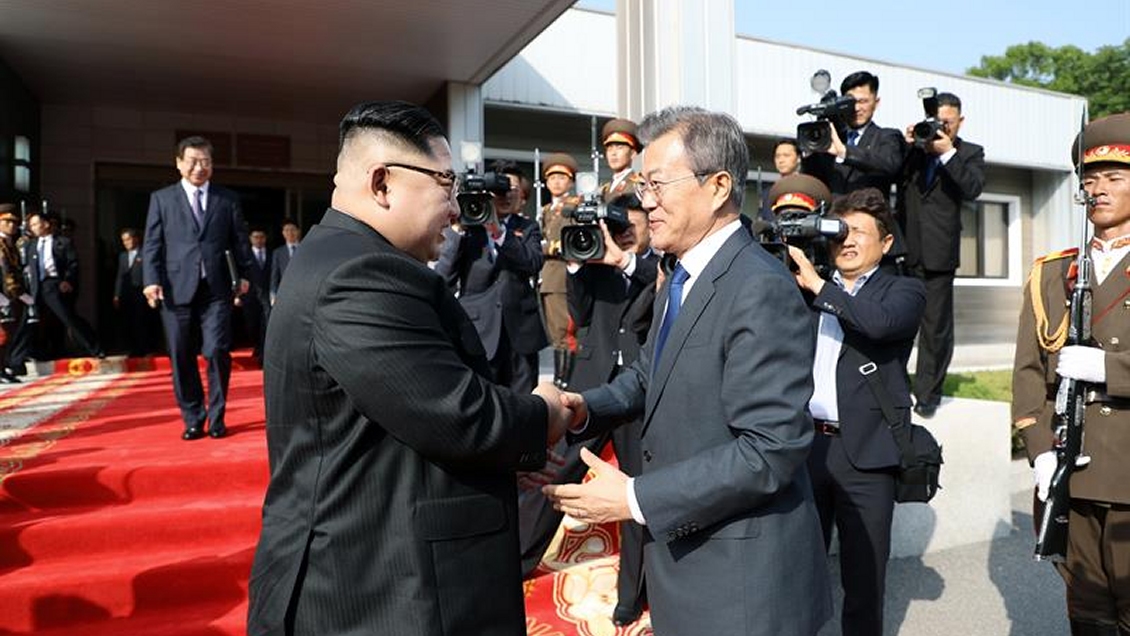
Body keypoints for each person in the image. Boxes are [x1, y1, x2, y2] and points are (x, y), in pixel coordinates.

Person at [246, 100, 570, 636]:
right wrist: (544, 413)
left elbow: (400, 422)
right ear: (382, 183)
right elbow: (460, 415)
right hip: (374, 593)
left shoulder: (339, 257)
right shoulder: (360, 275)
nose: (456, 208)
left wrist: (503, 458)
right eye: (446, 184)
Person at [544, 105, 831, 636]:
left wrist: (634, 498)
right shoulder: (683, 274)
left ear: (717, 186)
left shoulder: (758, 287)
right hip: (690, 564)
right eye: (643, 185)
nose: (645, 201)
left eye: (657, 184)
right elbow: (650, 375)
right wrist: (585, 408)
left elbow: (770, 449)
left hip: (741, 584)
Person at [1012, 111, 1130, 636]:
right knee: (1087, 613)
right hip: (1072, 471)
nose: (1097, 189)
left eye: (1113, 177)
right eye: (1090, 179)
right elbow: (1028, 372)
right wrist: (1040, 450)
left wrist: (1111, 368)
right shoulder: (1053, 272)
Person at [789, 187, 926, 636]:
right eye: (839, 232)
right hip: (806, 447)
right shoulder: (802, 287)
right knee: (796, 572)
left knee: (864, 580)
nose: (846, 241)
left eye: (859, 233)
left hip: (866, 453)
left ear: (886, 243)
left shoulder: (904, 290)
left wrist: (819, 286)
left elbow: (879, 325)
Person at [522, 194, 658, 626]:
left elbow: (654, 293)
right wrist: (578, 266)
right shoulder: (596, 261)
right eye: (618, 228)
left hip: (637, 390)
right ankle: (519, 560)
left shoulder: (659, 266)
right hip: (592, 386)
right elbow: (578, 316)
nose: (624, 235)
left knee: (633, 491)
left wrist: (624, 261)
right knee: (555, 473)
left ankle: (629, 595)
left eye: (632, 226)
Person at [142, 135, 253, 441]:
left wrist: (245, 275)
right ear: (179, 163)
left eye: (205, 161)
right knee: (180, 354)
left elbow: (240, 241)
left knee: (216, 350)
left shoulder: (227, 199)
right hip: (175, 288)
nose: (199, 167)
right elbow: (152, 244)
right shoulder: (162, 199)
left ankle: (217, 417)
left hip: (216, 288)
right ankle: (193, 418)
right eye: (192, 161)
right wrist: (151, 280)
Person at [898, 92, 985, 418]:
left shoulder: (970, 153)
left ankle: (927, 394)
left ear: (959, 121)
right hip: (906, 248)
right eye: (937, 122)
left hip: (940, 252)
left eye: (947, 122)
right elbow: (892, 174)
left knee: (935, 329)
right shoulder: (917, 150)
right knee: (898, 321)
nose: (941, 127)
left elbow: (973, 188)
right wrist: (909, 144)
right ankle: (895, 385)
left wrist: (948, 152)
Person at [434, 160, 547, 393]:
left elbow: (533, 263)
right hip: (478, 328)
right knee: (482, 396)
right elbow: (444, 276)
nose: (505, 195)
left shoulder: (528, 227)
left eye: (511, 189)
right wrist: (458, 230)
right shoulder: (467, 227)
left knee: (524, 399)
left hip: (521, 330)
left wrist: (499, 232)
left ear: (521, 194)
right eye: (498, 189)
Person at [802, 71, 906, 203]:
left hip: (868, 214)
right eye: (851, 102)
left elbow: (888, 165)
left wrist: (844, 152)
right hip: (834, 214)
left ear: (876, 102)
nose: (857, 108)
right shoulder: (832, 139)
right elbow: (814, 181)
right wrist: (811, 149)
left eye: (863, 101)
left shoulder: (887, 136)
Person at [19, 210, 104, 360]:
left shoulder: (63, 242)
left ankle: (95, 348)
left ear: (46, 224)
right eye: (31, 225)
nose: (33, 228)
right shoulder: (30, 245)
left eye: (36, 224)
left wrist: (68, 280)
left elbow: (73, 264)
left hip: (54, 284)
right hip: (36, 286)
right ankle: (24, 355)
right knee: (31, 321)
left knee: (68, 318)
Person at [538, 153, 580, 387]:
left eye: (561, 177)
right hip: (547, 278)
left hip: (562, 277)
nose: (556, 182)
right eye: (552, 177)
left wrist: (546, 247)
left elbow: (572, 241)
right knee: (554, 333)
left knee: (565, 332)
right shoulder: (546, 210)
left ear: (571, 182)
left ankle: (565, 380)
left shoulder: (574, 207)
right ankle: (558, 377)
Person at [113, 228, 158, 356]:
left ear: (136, 239)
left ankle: (145, 348)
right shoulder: (122, 256)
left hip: (141, 293)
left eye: (128, 239)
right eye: (123, 240)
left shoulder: (144, 254)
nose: (126, 243)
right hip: (127, 294)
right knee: (128, 321)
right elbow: (120, 277)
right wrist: (116, 295)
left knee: (141, 321)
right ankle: (131, 348)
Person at [0, 205, 27, 383]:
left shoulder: (12, 243)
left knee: (10, 333)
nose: (12, 225)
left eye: (14, 222)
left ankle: (3, 368)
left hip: (12, 294)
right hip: (3, 295)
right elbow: (4, 272)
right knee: (2, 335)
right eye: (7, 221)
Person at [240, 228, 271, 361]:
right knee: (251, 324)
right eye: (256, 237)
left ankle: (263, 350)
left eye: (261, 237)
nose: (259, 240)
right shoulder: (244, 255)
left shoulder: (272, 254)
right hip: (249, 296)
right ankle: (257, 346)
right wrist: (237, 295)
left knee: (266, 322)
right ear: (250, 239)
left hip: (267, 295)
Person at [600, 118, 642, 200]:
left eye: (620, 147)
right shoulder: (605, 189)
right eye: (610, 149)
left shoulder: (638, 185)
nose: (613, 153)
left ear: (633, 154)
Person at [269, 219, 301, 305]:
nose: (290, 233)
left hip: (302, 291)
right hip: (284, 292)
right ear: (283, 233)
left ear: (298, 231)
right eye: (287, 230)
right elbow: (274, 275)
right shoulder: (278, 252)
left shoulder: (305, 249)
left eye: (293, 229)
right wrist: (273, 294)